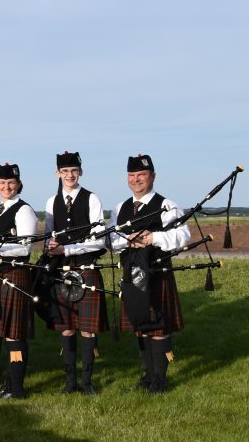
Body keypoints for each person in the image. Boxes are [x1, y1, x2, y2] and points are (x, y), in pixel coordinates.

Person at [110, 154, 189, 394]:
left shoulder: (167, 205)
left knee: (158, 327)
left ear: (152, 176)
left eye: (141, 175)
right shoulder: (120, 208)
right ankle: (148, 375)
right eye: (132, 176)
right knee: (141, 325)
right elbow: (112, 240)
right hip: (131, 272)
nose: (136, 180)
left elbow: (183, 236)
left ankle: (160, 380)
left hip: (156, 273)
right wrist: (126, 240)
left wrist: (153, 238)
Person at [43, 152, 108, 395]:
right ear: (57, 173)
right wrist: (51, 247)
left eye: (74, 170)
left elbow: (100, 240)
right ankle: (70, 382)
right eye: (64, 171)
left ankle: (87, 382)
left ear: (80, 172)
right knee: (67, 326)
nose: (69, 175)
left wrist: (67, 248)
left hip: (86, 267)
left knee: (87, 328)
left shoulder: (91, 199)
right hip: (62, 270)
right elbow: (51, 234)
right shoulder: (51, 202)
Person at [0, 163, 37, 400]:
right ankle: (9, 382)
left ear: (19, 184)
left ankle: (18, 387)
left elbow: (25, 247)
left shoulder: (24, 210)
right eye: (2, 183)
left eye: (11, 183)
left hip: (16, 274)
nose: (7, 187)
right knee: (4, 332)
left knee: (15, 334)